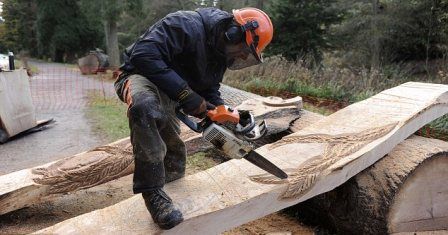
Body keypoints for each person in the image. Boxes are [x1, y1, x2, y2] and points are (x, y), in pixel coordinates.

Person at [114, 7, 273, 230]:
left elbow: (209, 86)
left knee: (171, 150)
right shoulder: (184, 25)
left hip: (170, 89)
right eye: (245, 50)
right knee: (146, 107)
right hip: (139, 76)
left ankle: (173, 183)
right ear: (234, 33)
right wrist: (185, 94)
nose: (243, 56)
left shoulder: (220, 51)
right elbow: (143, 55)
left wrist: (219, 110)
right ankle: (152, 192)